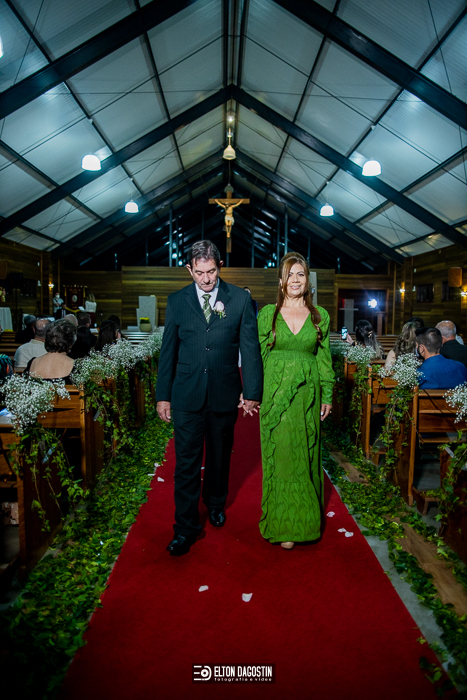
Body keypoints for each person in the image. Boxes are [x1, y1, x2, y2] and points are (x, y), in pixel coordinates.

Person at [156, 240, 263, 556]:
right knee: (186, 464)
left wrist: (252, 391)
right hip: (186, 394)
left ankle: (216, 503)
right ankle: (185, 528)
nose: (206, 279)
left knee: (219, 457)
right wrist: (163, 396)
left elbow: (250, 348)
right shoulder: (176, 301)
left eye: (212, 272)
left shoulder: (240, 299)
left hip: (223, 391)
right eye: (199, 272)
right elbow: (168, 352)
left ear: (220, 267)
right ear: (189, 269)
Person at [257, 252, 334, 550]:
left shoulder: (319, 316)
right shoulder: (268, 314)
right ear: (281, 280)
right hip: (275, 395)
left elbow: (324, 359)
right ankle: (282, 523)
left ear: (308, 280)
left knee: (304, 453)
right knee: (281, 455)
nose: (295, 279)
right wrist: (252, 392)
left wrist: (327, 393)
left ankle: (304, 523)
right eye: (290, 274)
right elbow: (258, 357)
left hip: (307, 396)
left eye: (301, 274)